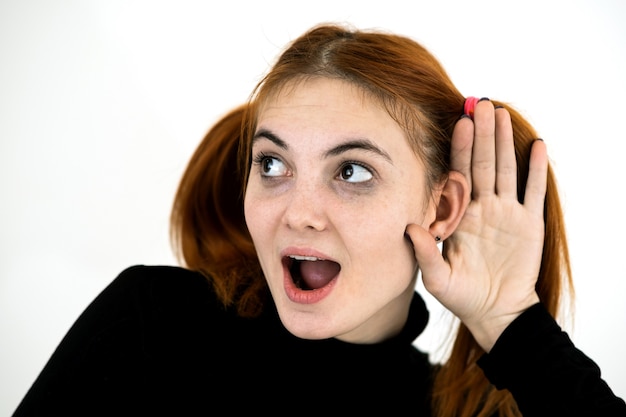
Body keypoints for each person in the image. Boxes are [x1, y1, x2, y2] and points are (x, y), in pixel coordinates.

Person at [12, 23, 626, 417]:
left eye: (352, 171)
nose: (296, 214)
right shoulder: (154, 327)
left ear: (440, 208)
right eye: (273, 164)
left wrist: (509, 323)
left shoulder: (447, 408)